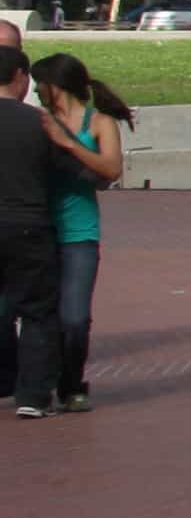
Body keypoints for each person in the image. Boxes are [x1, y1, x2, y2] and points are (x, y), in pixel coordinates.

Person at [29, 55, 124, 415]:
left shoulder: (99, 123)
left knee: (75, 317)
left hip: (79, 232)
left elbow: (111, 169)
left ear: (57, 85)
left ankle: (72, 384)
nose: (36, 90)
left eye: (41, 84)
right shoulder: (36, 121)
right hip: (37, 229)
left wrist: (67, 142)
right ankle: (38, 384)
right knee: (40, 314)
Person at [0, 47, 58, 416]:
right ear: (21, 76)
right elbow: (62, 170)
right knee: (37, 310)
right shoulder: (38, 122)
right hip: (28, 222)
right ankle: (33, 395)